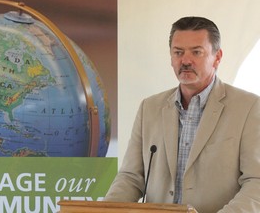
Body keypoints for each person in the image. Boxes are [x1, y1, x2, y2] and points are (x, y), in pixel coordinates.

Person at [104, 16, 260, 212]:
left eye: (196, 52)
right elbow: (131, 177)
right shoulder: (149, 108)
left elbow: (256, 182)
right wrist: (105, 210)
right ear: (171, 57)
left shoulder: (249, 107)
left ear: (217, 57)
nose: (185, 60)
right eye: (178, 52)